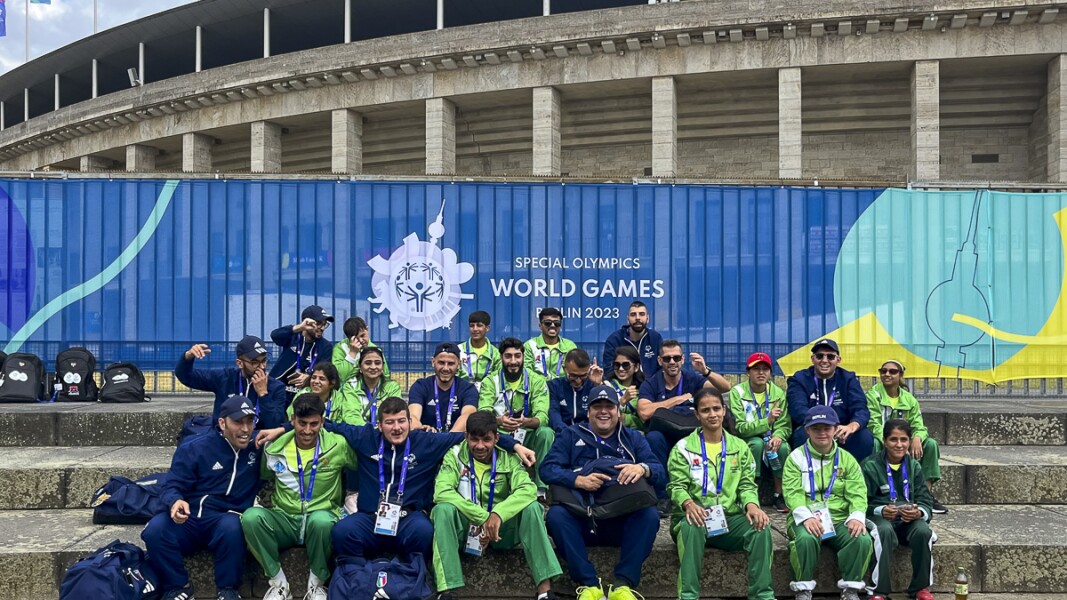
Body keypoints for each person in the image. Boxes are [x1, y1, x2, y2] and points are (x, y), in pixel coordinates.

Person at [255, 397, 536, 565]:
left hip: (408, 517)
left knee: (425, 532)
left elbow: (472, 435)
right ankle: (358, 575)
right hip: (369, 517)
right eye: (389, 422)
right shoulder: (364, 437)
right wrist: (282, 427)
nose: (397, 427)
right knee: (341, 532)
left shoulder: (426, 442)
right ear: (379, 425)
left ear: (410, 422)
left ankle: (408, 573)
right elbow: (322, 423)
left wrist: (514, 446)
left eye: (402, 421)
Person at [541, 385, 665, 600]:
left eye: (609, 406)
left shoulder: (632, 437)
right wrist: (578, 480)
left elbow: (660, 472)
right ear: (588, 411)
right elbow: (547, 469)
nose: (604, 411)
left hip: (621, 520)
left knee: (649, 515)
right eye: (597, 407)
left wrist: (642, 468)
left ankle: (623, 585)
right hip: (583, 519)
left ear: (618, 410)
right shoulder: (571, 434)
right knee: (555, 516)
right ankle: (589, 585)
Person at [430, 410, 562, 600]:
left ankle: (544, 590)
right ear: (466, 437)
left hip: (503, 531)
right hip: (468, 529)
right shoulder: (455, 455)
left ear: (496, 438)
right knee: (442, 510)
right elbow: (441, 492)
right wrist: (484, 517)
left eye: (486, 439)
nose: (480, 446)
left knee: (533, 508)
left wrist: (498, 514)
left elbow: (527, 489)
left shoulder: (508, 457)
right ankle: (446, 591)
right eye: (474, 439)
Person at [143, 394, 264, 600]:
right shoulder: (194, 447)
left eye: (249, 422)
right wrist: (175, 501)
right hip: (189, 518)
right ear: (222, 423)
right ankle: (178, 587)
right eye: (238, 422)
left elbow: (302, 426)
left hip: (223, 519)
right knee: (155, 530)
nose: (245, 429)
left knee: (233, 526)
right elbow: (171, 484)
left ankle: (227, 590)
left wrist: (280, 429)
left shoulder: (258, 445)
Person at [243, 393, 356, 600]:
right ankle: (278, 583)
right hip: (284, 519)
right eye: (302, 423)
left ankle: (316, 584)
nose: (307, 430)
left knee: (321, 521)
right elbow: (265, 478)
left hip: (321, 518)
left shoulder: (338, 445)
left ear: (322, 421)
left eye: (314, 424)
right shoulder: (274, 447)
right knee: (250, 518)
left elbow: (359, 467)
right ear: (292, 419)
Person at [668, 388, 774, 600]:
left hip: (729, 518)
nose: (712, 414)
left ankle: (762, 595)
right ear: (697, 415)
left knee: (761, 528)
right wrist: (688, 503)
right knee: (692, 525)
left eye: (716, 408)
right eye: (705, 410)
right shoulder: (683, 448)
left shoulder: (740, 446)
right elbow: (676, 486)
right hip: (693, 518)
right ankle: (688, 596)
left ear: (724, 410)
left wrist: (752, 505)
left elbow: (746, 485)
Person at [782, 406, 873, 600]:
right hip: (806, 518)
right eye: (816, 428)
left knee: (861, 538)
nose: (822, 433)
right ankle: (803, 590)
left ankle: (850, 589)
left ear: (835, 429)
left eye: (827, 428)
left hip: (840, 519)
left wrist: (856, 517)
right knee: (805, 539)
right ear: (807, 430)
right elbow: (792, 493)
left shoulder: (847, 459)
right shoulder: (795, 458)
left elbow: (858, 493)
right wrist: (806, 517)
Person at [638, 340, 729, 509]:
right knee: (653, 437)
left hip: (690, 432)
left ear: (682, 359)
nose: (672, 362)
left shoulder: (692, 378)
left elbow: (724, 387)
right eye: (667, 359)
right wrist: (677, 400)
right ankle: (663, 497)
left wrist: (705, 371)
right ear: (659, 361)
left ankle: (699, 495)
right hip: (664, 435)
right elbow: (644, 412)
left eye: (676, 357)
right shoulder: (651, 383)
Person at [862, 419, 938, 600]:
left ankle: (921, 588)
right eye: (893, 440)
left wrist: (919, 512)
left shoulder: (914, 466)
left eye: (904, 440)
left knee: (923, 531)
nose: (899, 445)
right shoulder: (869, 465)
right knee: (884, 531)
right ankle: (878, 591)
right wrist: (881, 510)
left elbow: (925, 500)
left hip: (906, 519)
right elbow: (860, 503)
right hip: (879, 517)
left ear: (910, 441)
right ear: (884, 441)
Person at [866, 360, 946, 514]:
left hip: (905, 440)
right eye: (883, 371)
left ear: (901, 375)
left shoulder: (909, 399)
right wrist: (893, 442)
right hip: (885, 439)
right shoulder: (873, 395)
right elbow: (873, 425)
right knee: (874, 443)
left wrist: (916, 438)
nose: (887, 374)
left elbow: (919, 426)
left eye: (892, 371)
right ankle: (879, 493)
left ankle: (925, 496)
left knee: (930, 444)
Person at [478, 337, 554, 493]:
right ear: (501, 357)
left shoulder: (537, 380)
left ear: (523, 357)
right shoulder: (490, 381)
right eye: (508, 356)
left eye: (517, 356)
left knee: (546, 433)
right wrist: (499, 421)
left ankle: (541, 491)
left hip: (527, 433)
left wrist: (526, 422)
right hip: (500, 434)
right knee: (484, 433)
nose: (513, 361)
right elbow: (483, 414)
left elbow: (542, 416)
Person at [786, 338, 874, 462]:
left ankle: (856, 476)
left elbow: (861, 408)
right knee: (801, 435)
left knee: (864, 437)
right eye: (820, 356)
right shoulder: (799, 379)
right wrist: (827, 427)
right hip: (813, 427)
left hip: (843, 430)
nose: (824, 360)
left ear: (838, 360)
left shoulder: (848, 379)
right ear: (813, 359)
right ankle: (808, 476)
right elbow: (798, 410)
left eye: (830, 357)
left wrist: (852, 426)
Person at [175, 335, 287, 430]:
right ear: (239, 363)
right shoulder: (225, 377)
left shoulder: (276, 387)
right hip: (222, 440)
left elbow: (275, 425)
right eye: (254, 362)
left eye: (264, 361)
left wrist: (263, 394)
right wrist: (188, 356)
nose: (261, 367)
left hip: (257, 442)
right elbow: (186, 377)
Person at [727, 352, 791, 513]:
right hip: (748, 437)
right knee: (755, 444)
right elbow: (740, 427)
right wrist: (766, 422)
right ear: (748, 372)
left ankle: (779, 494)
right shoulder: (738, 392)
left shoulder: (777, 393)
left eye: (765, 369)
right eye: (756, 369)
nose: (761, 373)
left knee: (781, 447)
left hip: (771, 437)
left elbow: (784, 424)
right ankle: (751, 491)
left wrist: (778, 435)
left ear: (770, 373)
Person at [409, 342, 480, 432]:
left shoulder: (468, 389)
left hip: (456, 442)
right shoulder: (420, 386)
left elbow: (467, 416)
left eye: (451, 364)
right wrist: (420, 428)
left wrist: (445, 440)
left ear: (459, 364)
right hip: (428, 439)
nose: (446, 368)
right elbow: (413, 416)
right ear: (433, 362)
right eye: (441, 363)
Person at [269, 305, 335, 399]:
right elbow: (275, 336)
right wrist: (299, 327)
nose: (322, 328)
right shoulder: (293, 337)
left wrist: (309, 377)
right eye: (319, 323)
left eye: (324, 324)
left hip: (304, 396)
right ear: (307, 322)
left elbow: (324, 372)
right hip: (279, 391)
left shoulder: (325, 347)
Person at [602, 301, 663, 379]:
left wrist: (650, 386)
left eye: (641, 314)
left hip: (651, 388)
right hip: (624, 388)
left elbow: (662, 367)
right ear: (628, 319)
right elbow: (609, 370)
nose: (637, 318)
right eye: (633, 314)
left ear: (647, 319)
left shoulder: (655, 338)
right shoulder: (614, 340)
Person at [591, 345, 646, 431]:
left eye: (626, 365)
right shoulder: (606, 385)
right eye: (617, 365)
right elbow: (603, 414)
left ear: (636, 367)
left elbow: (646, 422)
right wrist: (622, 401)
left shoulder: (645, 389)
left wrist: (626, 419)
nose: (621, 369)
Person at [346, 346, 402, 427]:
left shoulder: (392, 387)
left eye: (377, 363)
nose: (373, 367)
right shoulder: (350, 387)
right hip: (359, 434)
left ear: (382, 367)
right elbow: (351, 417)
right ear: (360, 367)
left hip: (384, 434)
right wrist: (371, 432)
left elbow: (394, 414)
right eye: (368, 363)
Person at [547, 348, 600, 434]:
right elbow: (554, 416)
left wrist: (598, 385)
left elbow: (604, 413)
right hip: (562, 435)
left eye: (583, 376)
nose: (578, 380)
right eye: (573, 376)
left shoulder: (594, 385)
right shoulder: (554, 386)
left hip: (588, 435)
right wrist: (570, 435)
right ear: (564, 369)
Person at [288, 362, 355, 424]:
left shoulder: (339, 398)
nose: (316, 381)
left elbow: (341, 423)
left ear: (332, 383)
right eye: (313, 378)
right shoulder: (302, 395)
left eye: (322, 379)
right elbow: (292, 419)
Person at [524, 307, 578, 381]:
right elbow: (526, 371)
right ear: (540, 325)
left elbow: (574, 371)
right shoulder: (530, 345)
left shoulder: (569, 346)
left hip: (563, 389)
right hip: (538, 389)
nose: (552, 325)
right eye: (548, 323)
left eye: (557, 323)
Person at [456, 310, 501, 390]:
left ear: (487, 328)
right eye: (472, 326)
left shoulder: (495, 353)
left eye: (479, 325)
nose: (475, 329)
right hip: (463, 393)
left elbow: (498, 378)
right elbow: (454, 375)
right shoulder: (459, 350)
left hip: (488, 394)